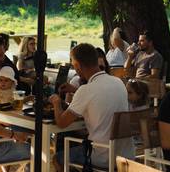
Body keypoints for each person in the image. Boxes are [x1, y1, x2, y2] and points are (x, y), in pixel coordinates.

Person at [49, 43, 134, 171]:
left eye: (73, 64)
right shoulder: (118, 82)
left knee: (58, 158)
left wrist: (56, 102)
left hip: (102, 155)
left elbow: (61, 122)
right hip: (126, 153)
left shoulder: (86, 89)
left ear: (77, 65)